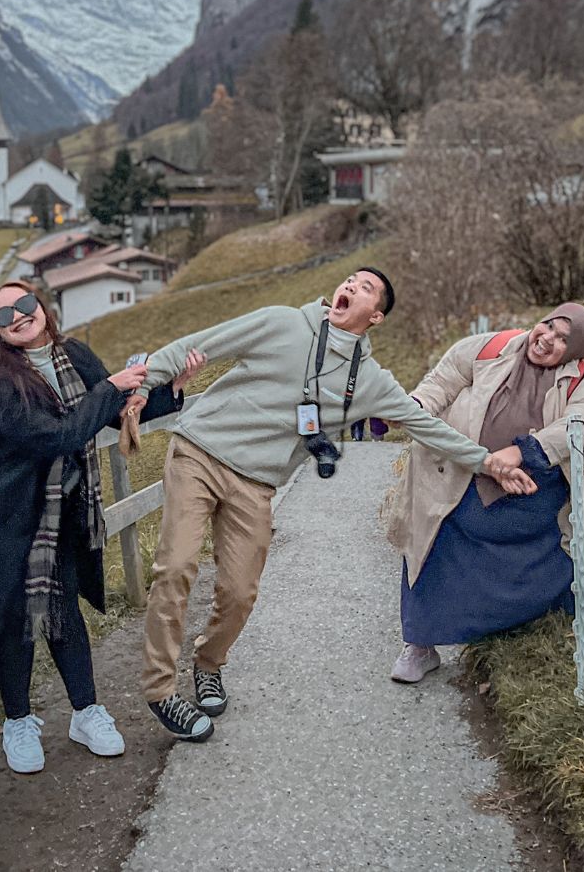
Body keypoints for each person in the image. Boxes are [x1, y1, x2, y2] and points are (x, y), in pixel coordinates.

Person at [125, 267, 536, 742]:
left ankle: (208, 662)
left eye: (365, 288)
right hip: (198, 451)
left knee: (240, 593)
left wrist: (488, 463)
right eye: (350, 280)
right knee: (175, 567)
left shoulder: (370, 382)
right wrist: (137, 385)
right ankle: (160, 690)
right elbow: (198, 344)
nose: (349, 287)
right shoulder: (282, 322)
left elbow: (430, 428)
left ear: (375, 316)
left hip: (256, 483)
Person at [0, 280, 202, 774]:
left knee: (62, 609)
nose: (18, 316)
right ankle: (17, 720)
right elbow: (57, 435)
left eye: (24, 304)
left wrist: (171, 389)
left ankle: (86, 712)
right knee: (15, 620)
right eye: (3, 316)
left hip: (56, 508)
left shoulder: (73, 355)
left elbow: (114, 412)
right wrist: (111, 388)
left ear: (41, 305)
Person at [385, 303, 584, 684]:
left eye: (563, 339)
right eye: (548, 326)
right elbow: (439, 385)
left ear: (575, 351)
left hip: (539, 488)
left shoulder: (583, 382)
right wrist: (413, 407)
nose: (547, 339)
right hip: (460, 478)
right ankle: (420, 645)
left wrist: (520, 454)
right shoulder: (487, 348)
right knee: (431, 540)